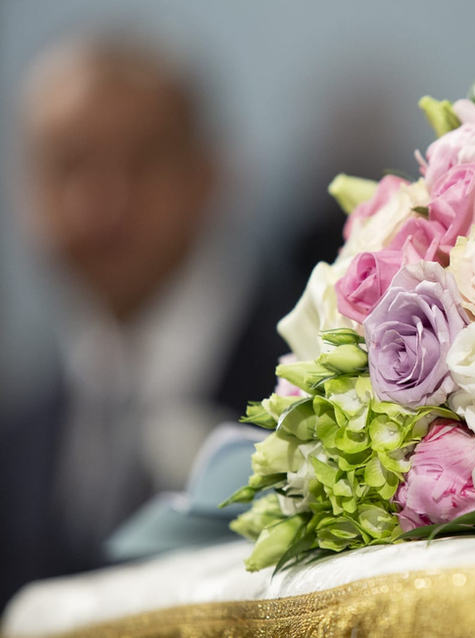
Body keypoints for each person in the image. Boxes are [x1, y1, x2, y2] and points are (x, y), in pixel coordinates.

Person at [0, 32, 301, 606]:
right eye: (69, 165)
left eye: (141, 161)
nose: (102, 203)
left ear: (210, 174)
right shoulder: (19, 435)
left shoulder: (314, 383)